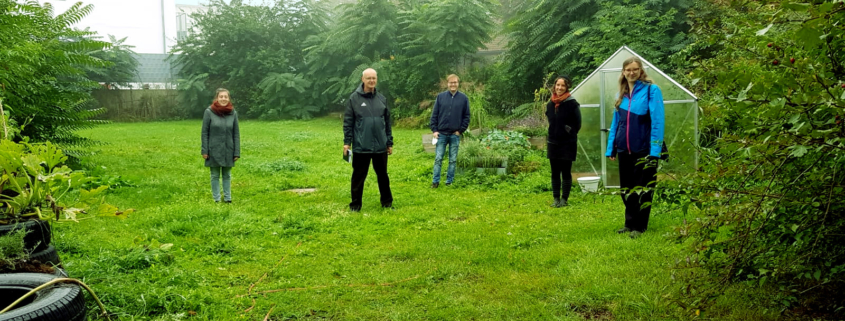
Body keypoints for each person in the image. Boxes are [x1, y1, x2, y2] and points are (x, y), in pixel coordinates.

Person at [605, 57, 665, 239]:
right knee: (626, 188)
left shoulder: (651, 91)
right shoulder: (620, 95)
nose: (631, 72)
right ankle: (629, 223)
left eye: (635, 69)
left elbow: (658, 122)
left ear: (640, 71)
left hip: (644, 150)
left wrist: (655, 151)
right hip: (624, 149)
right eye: (628, 70)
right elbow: (616, 124)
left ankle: (640, 226)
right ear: (623, 72)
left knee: (644, 188)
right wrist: (611, 148)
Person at [343, 68, 394, 211]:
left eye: (374, 78)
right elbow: (348, 122)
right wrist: (347, 142)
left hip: (380, 146)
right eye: (368, 78)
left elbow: (387, 123)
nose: (371, 81)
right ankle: (355, 205)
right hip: (361, 145)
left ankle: (387, 203)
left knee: (383, 176)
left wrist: (389, 142)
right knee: (358, 177)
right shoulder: (354, 98)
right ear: (362, 79)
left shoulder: (382, 99)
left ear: (376, 79)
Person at [429, 74, 471, 188]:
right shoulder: (440, 97)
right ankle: (435, 182)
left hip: (454, 135)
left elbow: (466, 116)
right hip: (441, 134)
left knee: (452, 160)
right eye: (451, 82)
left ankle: (449, 182)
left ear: (458, 84)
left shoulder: (463, 98)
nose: (453, 84)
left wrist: (461, 130)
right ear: (447, 84)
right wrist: (434, 130)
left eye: (455, 82)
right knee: (438, 159)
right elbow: (434, 115)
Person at [546, 75, 581, 207]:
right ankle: (556, 198)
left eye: (563, 85)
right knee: (555, 171)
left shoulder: (572, 104)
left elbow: (578, 124)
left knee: (566, 171)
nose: (560, 88)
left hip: (567, 143)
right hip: (553, 142)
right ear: (554, 86)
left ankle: (564, 199)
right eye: (558, 85)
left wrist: (568, 131)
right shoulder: (550, 104)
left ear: (567, 87)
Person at [201, 88, 240, 203]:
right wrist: (205, 150)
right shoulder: (209, 112)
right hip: (213, 149)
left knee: (227, 175)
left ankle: (228, 198)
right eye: (221, 96)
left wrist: (236, 151)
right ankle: (216, 199)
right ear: (217, 98)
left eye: (225, 97)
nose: (223, 99)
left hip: (229, 149)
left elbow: (236, 134)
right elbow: (204, 132)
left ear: (229, 99)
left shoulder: (233, 113)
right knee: (214, 175)